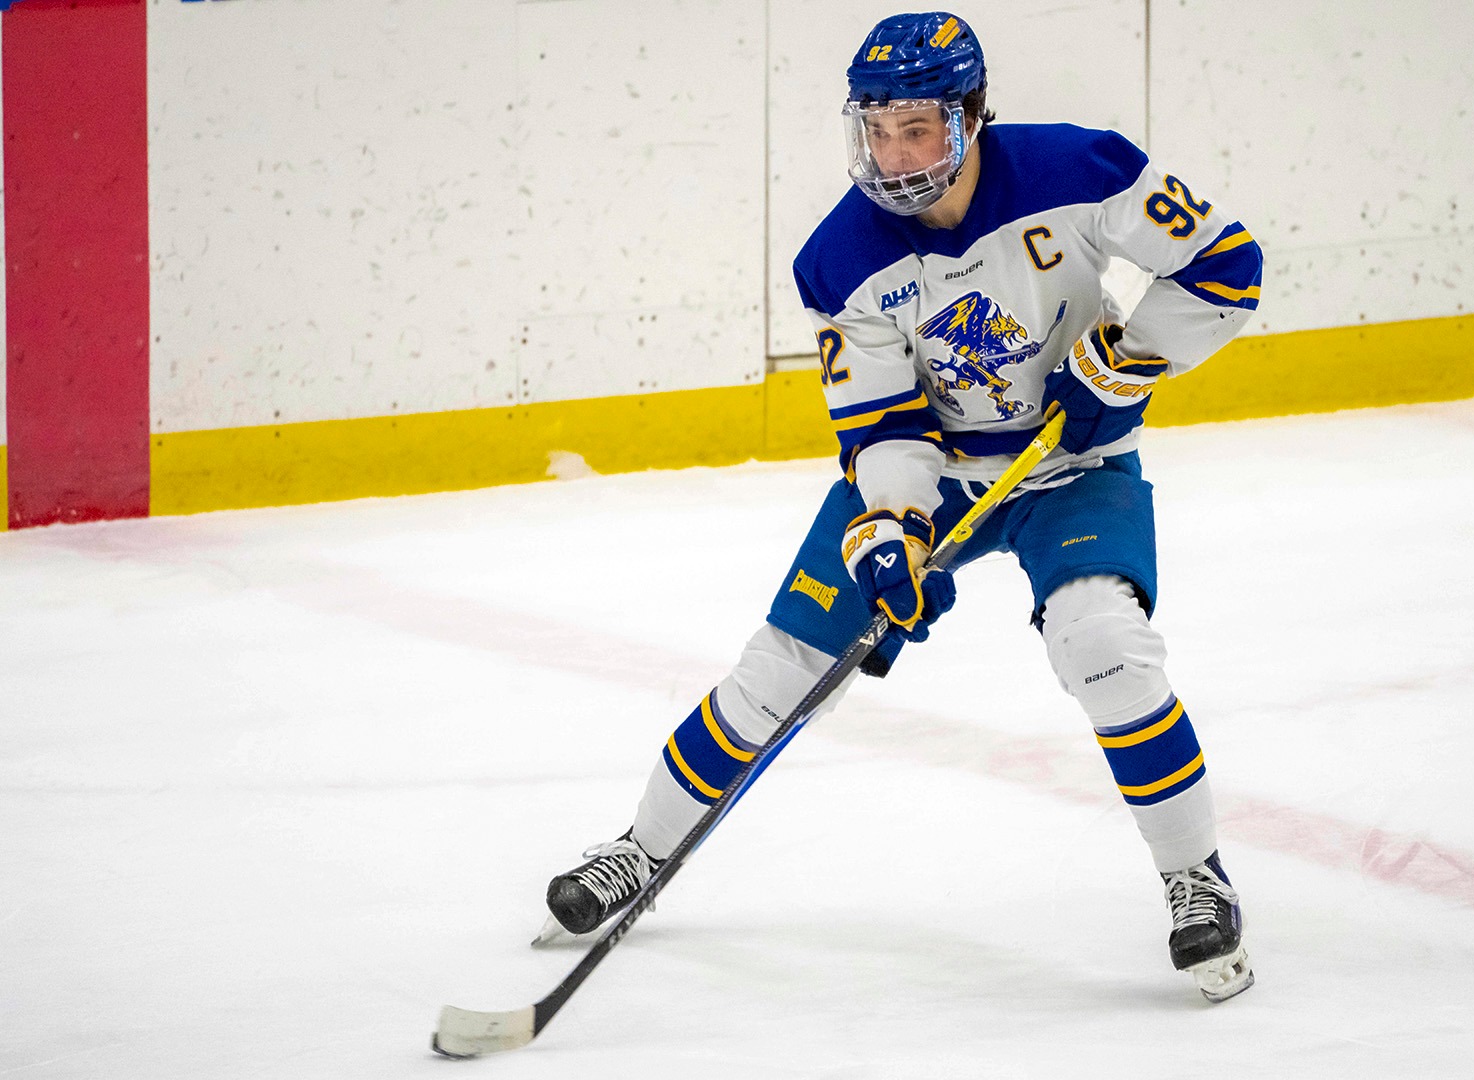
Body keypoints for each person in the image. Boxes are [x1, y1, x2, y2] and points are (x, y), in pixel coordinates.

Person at [537, 11, 1264, 1002]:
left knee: (1103, 645)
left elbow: (1227, 267)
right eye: (874, 129)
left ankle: (1195, 876)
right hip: (941, 477)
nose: (891, 154)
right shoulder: (842, 257)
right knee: (779, 671)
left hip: (1072, 469)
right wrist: (891, 532)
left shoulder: (1079, 170)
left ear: (970, 118)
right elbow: (883, 425)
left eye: (916, 127)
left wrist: (1125, 364)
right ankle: (638, 852)